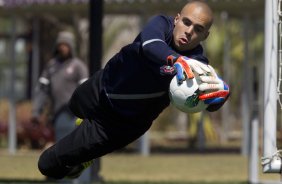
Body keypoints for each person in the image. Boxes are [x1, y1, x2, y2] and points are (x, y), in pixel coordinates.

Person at [38, 0, 230, 180]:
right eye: (186, 22)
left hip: (118, 126)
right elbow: (150, 46)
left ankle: (83, 158)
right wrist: (178, 60)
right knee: (74, 105)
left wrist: (221, 96)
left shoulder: (198, 65)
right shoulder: (161, 24)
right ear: (177, 19)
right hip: (102, 87)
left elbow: (208, 102)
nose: (188, 31)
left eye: (198, 29)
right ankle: (83, 131)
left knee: (47, 165)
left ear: (205, 36)